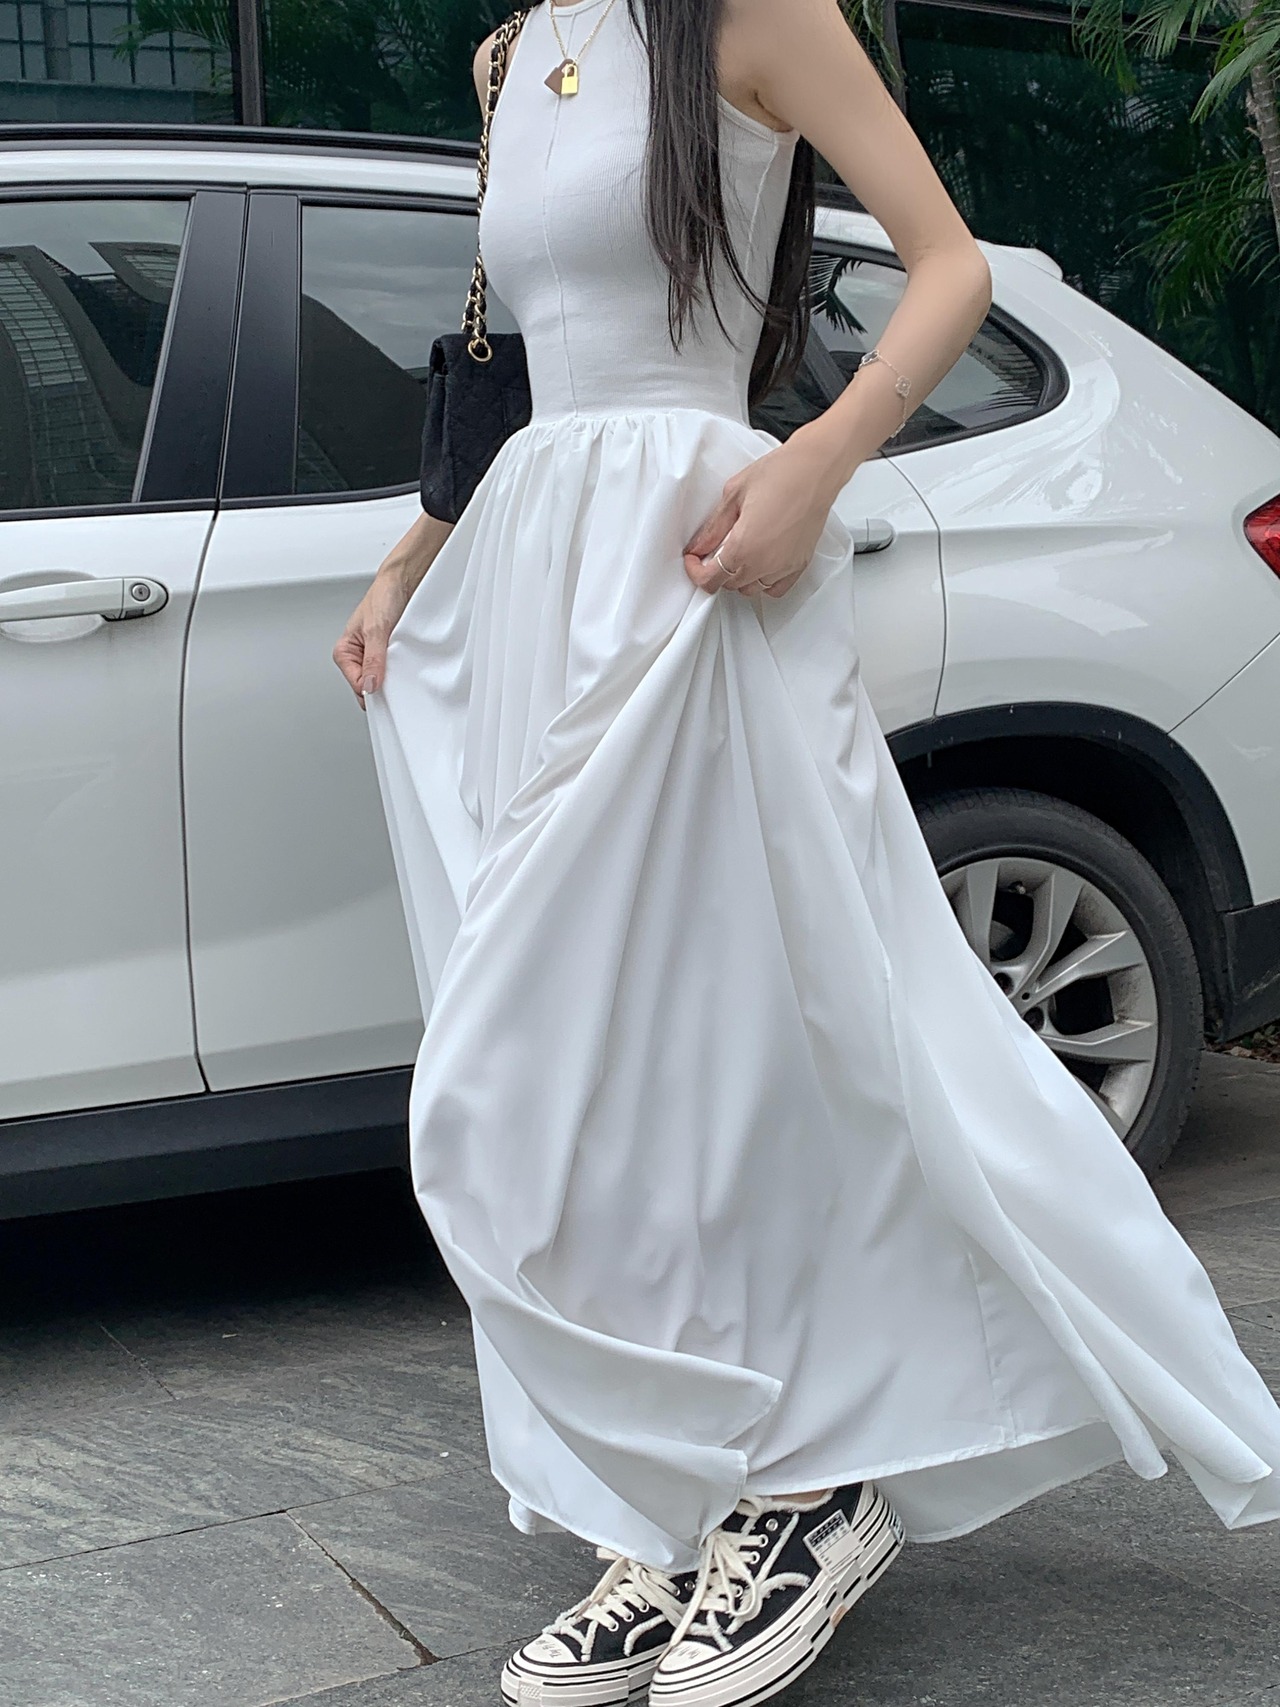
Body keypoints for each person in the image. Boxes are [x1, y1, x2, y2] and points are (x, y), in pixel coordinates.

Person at [334, 2, 1280, 1703]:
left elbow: (948, 269)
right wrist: (410, 561)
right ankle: (673, 1492)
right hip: (543, 575)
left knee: (744, 1035)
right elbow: (519, 368)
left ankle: (810, 1488)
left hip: (703, 564)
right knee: (587, 1075)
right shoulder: (513, 52)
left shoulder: (755, 15)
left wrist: (819, 467)